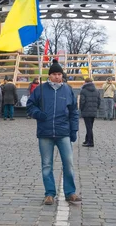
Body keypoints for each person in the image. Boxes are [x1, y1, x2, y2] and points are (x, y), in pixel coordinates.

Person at [26, 60, 81, 205]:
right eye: (54, 74)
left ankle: (70, 192)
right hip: (45, 132)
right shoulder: (40, 89)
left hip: (63, 132)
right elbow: (30, 106)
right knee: (46, 165)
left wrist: (74, 129)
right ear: (49, 76)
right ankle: (49, 193)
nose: (57, 77)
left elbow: (74, 112)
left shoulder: (67, 90)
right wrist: (38, 113)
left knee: (68, 163)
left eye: (59, 74)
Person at [79, 78, 101, 147]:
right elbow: (99, 101)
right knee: (90, 126)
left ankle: (90, 142)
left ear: (85, 82)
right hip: (93, 111)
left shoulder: (83, 91)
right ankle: (87, 140)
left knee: (88, 127)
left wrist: (81, 109)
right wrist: (96, 108)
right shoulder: (97, 91)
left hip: (86, 111)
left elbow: (82, 102)